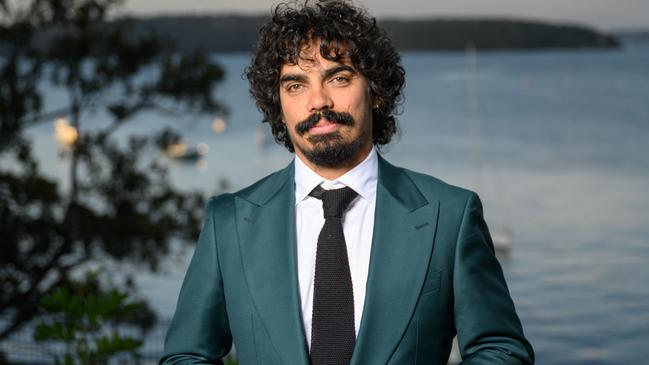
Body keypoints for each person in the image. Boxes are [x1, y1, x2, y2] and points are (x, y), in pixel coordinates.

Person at [160, 1, 534, 364]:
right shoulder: (229, 223)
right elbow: (186, 355)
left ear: (374, 91)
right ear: (278, 103)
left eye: (338, 78)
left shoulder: (449, 216)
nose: (317, 101)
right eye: (295, 85)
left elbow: (501, 350)